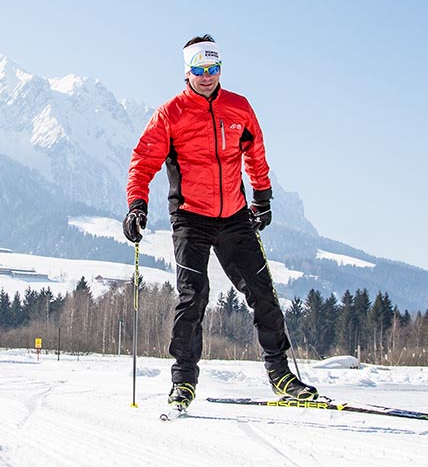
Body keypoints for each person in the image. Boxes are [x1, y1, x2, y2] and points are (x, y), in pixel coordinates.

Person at [124, 34, 319, 412]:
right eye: (199, 69)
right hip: (190, 217)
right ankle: (183, 381)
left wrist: (262, 196)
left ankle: (281, 375)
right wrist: (136, 205)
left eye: (213, 68)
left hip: (234, 216)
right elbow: (143, 162)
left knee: (263, 293)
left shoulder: (239, 108)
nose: (207, 76)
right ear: (187, 72)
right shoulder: (171, 114)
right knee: (193, 296)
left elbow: (256, 153)